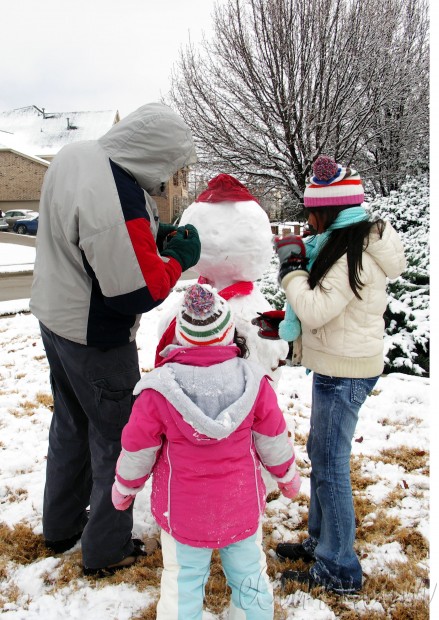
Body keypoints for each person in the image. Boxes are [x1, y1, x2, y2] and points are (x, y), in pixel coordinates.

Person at [30, 103, 201, 576]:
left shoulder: (77, 155)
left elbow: (90, 233)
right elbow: (137, 292)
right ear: (153, 153)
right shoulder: (118, 195)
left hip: (56, 321)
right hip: (95, 339)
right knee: (117, 441)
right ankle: (106, 549)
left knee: (70, 424)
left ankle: (62, 526)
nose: (170, 177)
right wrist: (177, 259)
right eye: (170, 166)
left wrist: (150, 235)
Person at [111, 283, 301, 619]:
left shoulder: (160, 389)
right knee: (249, 578)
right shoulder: (254, 383)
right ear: (228, 332)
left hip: (182, 511)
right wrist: (286, 477)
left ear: (181, 336)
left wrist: (126, 487)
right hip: (239, 506)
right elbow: (273, 438)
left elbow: (139, 447)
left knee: (182, 583)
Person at [274, 155, 406, 594]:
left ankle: (339, 569)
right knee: (322, 453)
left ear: (326, 210)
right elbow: (324, 307)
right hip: (337, 363)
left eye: (310, 210)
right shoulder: (346, 244)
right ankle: (322, 541)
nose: (306, 219)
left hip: (344, 372)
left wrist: (292, 269)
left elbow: (314, 309)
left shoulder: (354, 254)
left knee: (330, 464)